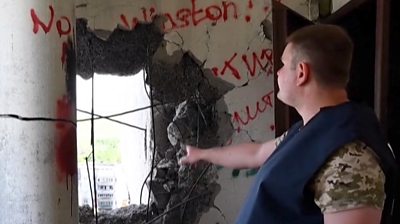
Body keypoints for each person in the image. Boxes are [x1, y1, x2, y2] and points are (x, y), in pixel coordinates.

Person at [179, 24, 397, 224]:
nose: (278, 72)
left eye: (283, 65)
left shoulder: (351, 157)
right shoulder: (315, 128)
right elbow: (257, 154)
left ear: (301, 73)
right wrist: (203, 154)